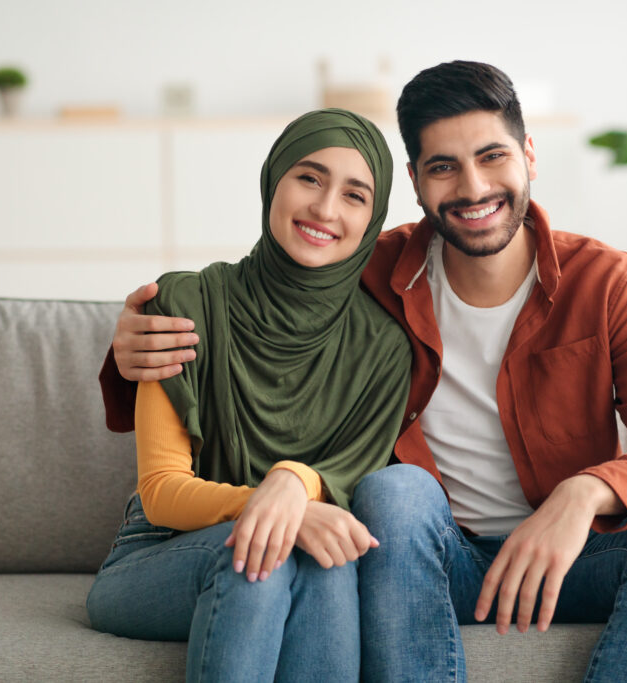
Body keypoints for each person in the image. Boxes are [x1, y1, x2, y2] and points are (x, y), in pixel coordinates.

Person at [101, 62, 627, 682]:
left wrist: (584, 493)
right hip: (432, 558)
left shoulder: (607, 282)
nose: (474, 187)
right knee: (395, 491)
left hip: (570, 554)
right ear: (415, 182)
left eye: (492, 156)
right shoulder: (366, 269)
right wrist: (134, 342)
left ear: (529, 156)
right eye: (443, 167)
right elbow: (268, 295)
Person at [85, 109, 412, 683]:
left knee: (325, 563)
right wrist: (282, 509)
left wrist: (294, 493)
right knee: (264, 554)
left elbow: (346, 477)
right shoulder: (186, 303)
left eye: (354, 195)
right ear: (273, 180)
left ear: (373, 218)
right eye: (309, 178)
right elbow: (160, 492)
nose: (325, 208)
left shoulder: (383, 349)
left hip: (296, 561)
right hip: (158, 552)